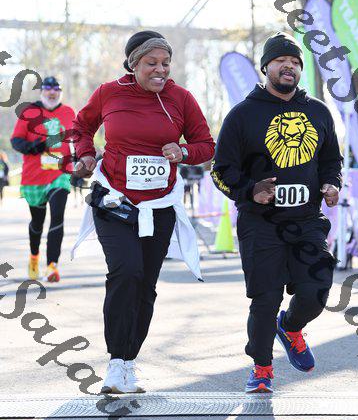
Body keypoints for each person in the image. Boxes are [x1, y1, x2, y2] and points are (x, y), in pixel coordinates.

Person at [72, 30, 215, 394]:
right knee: (126, 272)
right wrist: (85, 154)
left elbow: (206, 145)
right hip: (114, 201)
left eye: (166, 63)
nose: (160, 70)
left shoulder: (181, 98)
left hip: (159, 206)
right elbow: (82, 126)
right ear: (133, 64)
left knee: (146, 285)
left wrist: (183, 152)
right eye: (152, 63)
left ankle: (129, 362)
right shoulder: (109, 93)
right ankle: (115, 363)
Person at [211, 32, 342, 393]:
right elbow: (221, 170)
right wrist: (250, 190)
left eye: (295, 62)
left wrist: (331, 184)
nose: (289, 66)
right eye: (281, 60)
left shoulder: (318, 111)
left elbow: (331, 160)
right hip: (260, 223)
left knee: (317, 289)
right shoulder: (243, 115)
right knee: (265, 299)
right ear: (266, 67)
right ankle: (262, 368)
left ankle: (292, 327)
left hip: (306, 221)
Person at [10, 76, 75, 282]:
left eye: (56, 89)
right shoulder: (30, 111)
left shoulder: (69, 112)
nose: (52, 92)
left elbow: (78, 139)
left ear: (60, 92)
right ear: (41, 92)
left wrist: (81, 161)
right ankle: (34, 257)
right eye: (48, 89)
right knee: (37, 223)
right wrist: (32, 147)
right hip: (34, 176)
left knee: (57, 216)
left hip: (60, 173)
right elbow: (16, 141)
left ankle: (52, 266)